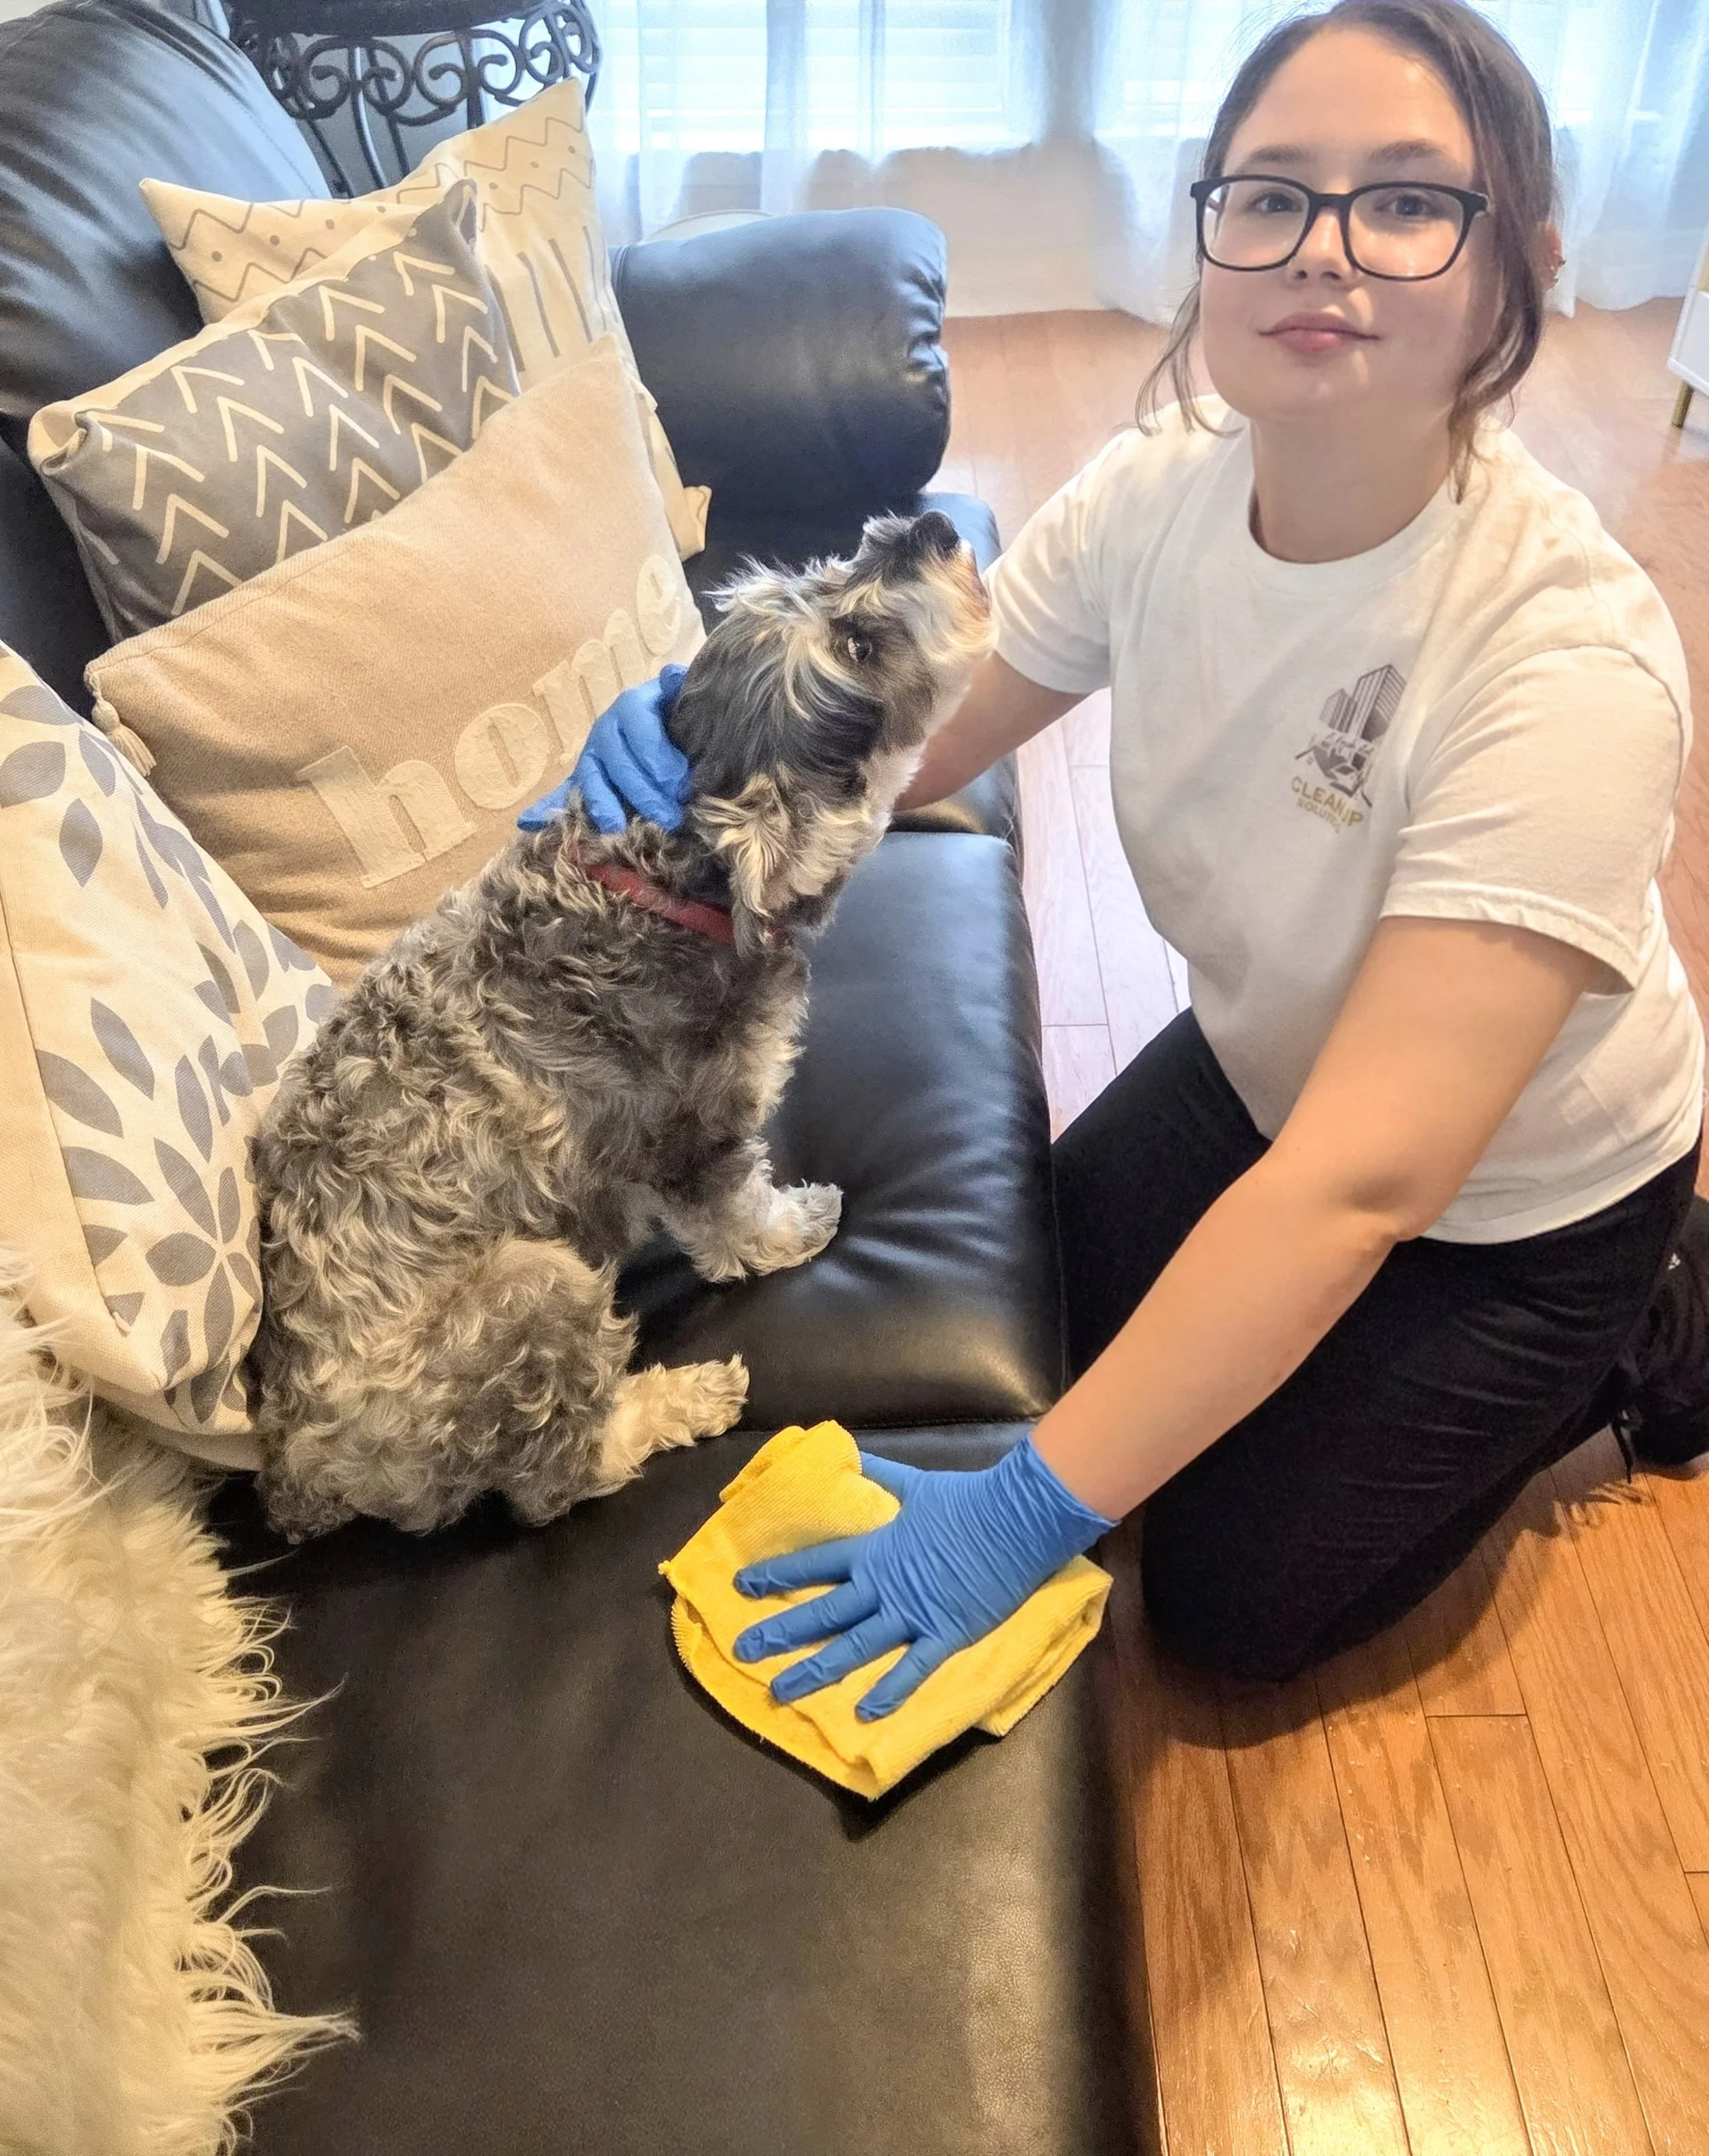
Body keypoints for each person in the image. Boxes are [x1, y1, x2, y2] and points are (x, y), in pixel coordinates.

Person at [551, 0, 1709, 1717]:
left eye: (1404, 201)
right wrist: (707, 775)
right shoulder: (1162, 488)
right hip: (1265, 1070)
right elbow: (923, 739)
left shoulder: (1560, 666)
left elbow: (1357, 1189)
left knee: (1230, 1602)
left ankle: (1654, 1320)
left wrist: (1013, 1520)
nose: (1322, 250)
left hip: (1509, 1203)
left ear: (1517, 267)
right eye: (1268, 195)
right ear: (1209, 237)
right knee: (1071, 1327)